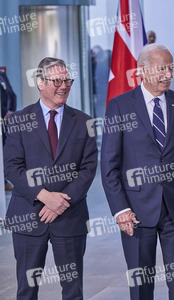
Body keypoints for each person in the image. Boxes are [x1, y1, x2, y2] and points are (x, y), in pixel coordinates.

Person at [101, 44, 174, 300]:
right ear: (142, 70)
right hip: (136, 211)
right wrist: (121, 209)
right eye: (161, 68)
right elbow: (109, 165)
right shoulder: (120, 106)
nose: (168, 74)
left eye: (171, 68)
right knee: (141, 284)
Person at [3, 57, 98, 299]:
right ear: (40, 83)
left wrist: (61, 202)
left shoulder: (84, 122)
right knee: (26, 290)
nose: (64, 85)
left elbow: (87, 169)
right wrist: (44, 196)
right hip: (27, 216)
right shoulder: (18, 120)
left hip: (70, 217)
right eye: (57, 80)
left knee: (73, 291)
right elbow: (12, 168)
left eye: (67, 80)